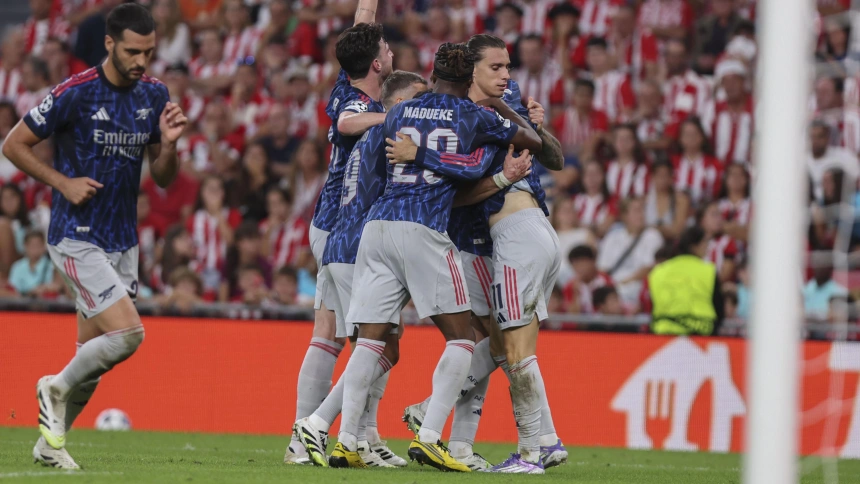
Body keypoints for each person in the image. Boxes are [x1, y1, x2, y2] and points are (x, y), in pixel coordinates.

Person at [332, 42, 540, 472]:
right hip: (425, 227)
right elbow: (502, 155)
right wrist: (508, 122)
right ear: (469, 80)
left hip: (377, 226)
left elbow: (373, 163)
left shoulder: (401, 111)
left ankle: (346, 440)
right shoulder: (474, 114)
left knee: (368, 340)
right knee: (465, 338)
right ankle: (429, 436)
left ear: (433, 71)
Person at [1, 3, 188, 469]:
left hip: (122, 241)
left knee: (93, 357)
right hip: (76, 234)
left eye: (148, 51)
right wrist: (62, 182)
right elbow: (13, 144)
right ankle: (54, 387)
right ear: (109, 44)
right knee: (127, 334)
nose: (141, 61)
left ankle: (49, 446)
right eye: (132, 51)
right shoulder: (75, 93)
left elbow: (163, 177)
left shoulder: (154, 95)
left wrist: (169, 145)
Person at [287, 0, 394, 467]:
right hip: (339, 226)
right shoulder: (359, 104)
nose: (391, 51)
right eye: (386, 49)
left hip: (331, 225)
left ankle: (310, 438)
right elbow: (348, 122)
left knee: (330, 334)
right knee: (370, 336)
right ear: (374, 63)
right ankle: (348, 434)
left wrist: (368, 5)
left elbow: (361, 29)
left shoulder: (344, 82)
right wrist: (396, 118)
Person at [649, 226, 724, 336]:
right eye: (705, 242)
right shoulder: (708, 271)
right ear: (694, 245)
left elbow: (653, 305)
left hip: (664, 335)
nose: (707, 247)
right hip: (700, 336)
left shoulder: (658, 271)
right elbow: (719, 308)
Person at [8, 230, 57, 297]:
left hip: (44, 304)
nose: (35, 249)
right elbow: (13, 289)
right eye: (32, 245)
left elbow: (53, 287)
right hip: (20, 304)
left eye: (38, 245)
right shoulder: (17, 266)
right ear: (25, 246)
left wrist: (43, 289)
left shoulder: (52, 266)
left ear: (44, 246)